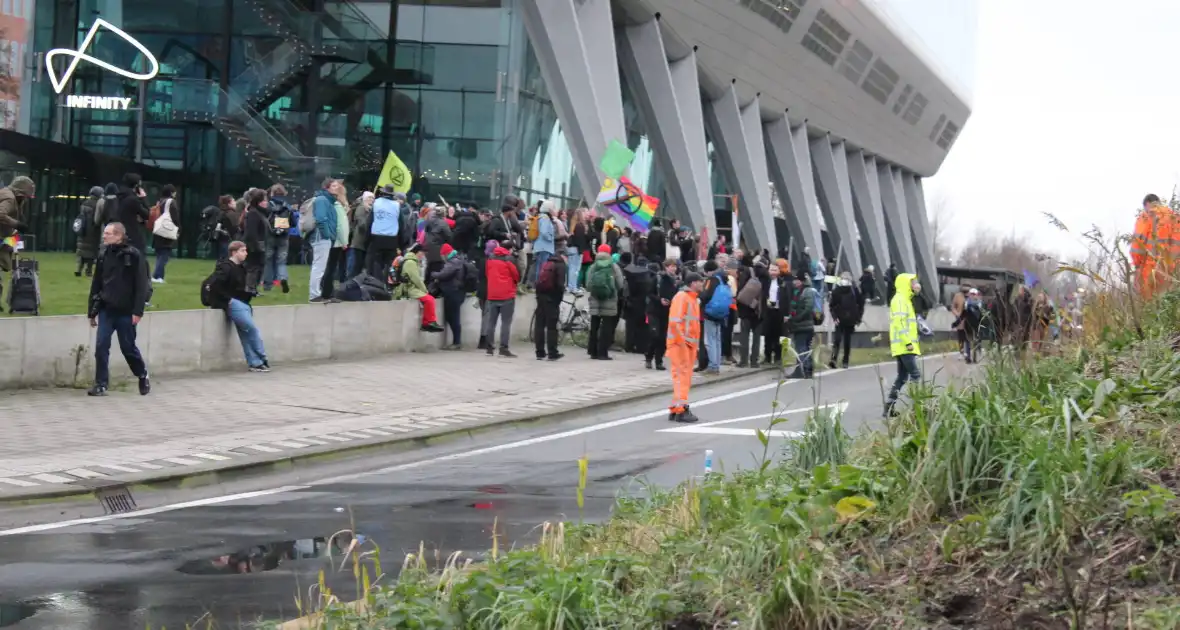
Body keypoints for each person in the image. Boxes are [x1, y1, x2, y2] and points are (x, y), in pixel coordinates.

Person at [86, 222, 150, 397]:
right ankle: (101, 384)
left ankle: (142, 374)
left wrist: (138, 311)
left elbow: (141, 285)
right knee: (101, 346)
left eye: (108, 233)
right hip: (107, 309)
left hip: (127, 311)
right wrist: (92, 311)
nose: (104, 236)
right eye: (104, 233)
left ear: (119, 235)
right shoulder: (103, 254)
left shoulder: (134, 256)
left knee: (127, 347)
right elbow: (96, 283)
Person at [204, 241, 269, 372]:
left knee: (245, 331)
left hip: (241, 303)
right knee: (250, 328)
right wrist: (227, 301)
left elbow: (237, 288)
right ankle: (262, 356)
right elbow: (216, 286)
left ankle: (255, 362)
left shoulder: (241, 268)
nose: (246, 253)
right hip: (232, 303)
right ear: (234, 252)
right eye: (243, 251)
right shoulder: (225, 267)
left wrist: (250, 293)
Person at [885, 273, 924, 417]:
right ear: (905, 284)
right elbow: (899, 323)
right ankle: (916, 408)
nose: (915, 285)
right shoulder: (900, 300)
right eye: (912, 282)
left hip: (903, 345)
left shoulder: (905, 299)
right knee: (915, 375)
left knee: (901, 377)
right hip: (904, 345)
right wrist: (908, 342)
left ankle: (888, 407)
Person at [667, 272, 704, 423]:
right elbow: (675, 323)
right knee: (682, 377)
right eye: (700, 282)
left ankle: (676, 408)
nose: (702, 284)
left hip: (686, 344)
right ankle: (681, 409)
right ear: (693, 283)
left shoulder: (691, 299)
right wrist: (683, 344)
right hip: (681, 344)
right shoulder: (683, 297)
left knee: (681, 377)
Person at [1131, 193, 1179, 299]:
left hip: (1151, 270)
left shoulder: (1146, 216)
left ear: (1147, 204)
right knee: (1169, 308)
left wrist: (1137, 267)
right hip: (1173, 272)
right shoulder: (1175, 217)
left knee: (1151, 308)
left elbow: (1137, 245)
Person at [392, 243, 444, 332]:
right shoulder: (410, 262)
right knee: (429, 299)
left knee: (429, 299)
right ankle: (429, 322)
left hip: (411, 287)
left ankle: (427, 323)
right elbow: (416, 279)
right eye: (422, 253)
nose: (423, 255)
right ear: (418, 252)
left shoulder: (411, 261)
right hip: (408, 289)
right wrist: (425, 290)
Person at [586, 244, 625, 360]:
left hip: (595, 300)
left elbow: (588, 285)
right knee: (607, 327)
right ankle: (603, 353)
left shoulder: (593, 266)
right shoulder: (614, 266)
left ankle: (592, 351)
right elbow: (620, 284)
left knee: (594, 326)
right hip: (610, 300)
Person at [484, 241, 521, 357]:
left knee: (491, 322)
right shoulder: (509, 259)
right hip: (507, 294)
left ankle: (489, 348)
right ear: (509, 249)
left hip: (492, 294)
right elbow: (516, 275)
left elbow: (487, 274)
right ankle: (503, 348)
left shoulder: (490, 259)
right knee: (505, 323)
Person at [308, 178, 342, 303]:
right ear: (326, 187)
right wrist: (327, 234)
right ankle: (314, 294)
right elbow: (321, 219)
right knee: (319, 266)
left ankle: (317, 293)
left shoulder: (329, 201)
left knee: (321, 266)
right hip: (321, 237)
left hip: (324, 237)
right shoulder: (322, 200)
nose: (337, 188)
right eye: (334, 186)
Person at [433, 243, 471, 350]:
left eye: (442, 255)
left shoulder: (453, 262)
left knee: (453, 318)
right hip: (456, 292)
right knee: (452, 317)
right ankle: (456, 342)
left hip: (454, 292)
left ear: (446, 254)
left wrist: (433, 274)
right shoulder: (458, 259)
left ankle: (457, 342)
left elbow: (444, 274)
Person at [532, 246, 567, 360]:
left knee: (539, 325)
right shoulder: (560, 265)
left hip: (541, 297)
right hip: (552, 299)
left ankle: (539, 352)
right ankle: (552, 353)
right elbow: (560, 285)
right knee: (552, 327)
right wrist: (558, 300)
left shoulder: (547, 263)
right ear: (562, 255)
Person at [646, 258, 679, 370]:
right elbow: (649, 293)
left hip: (667, 312)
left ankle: (659, 361)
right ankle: (649, 356)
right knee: (654, 335)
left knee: (663, 338)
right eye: (671, 266)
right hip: (655, 310)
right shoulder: (658, 278)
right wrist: (659, 300)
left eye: (675, 266)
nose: (673, 268)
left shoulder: (676, 281)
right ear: (666, 267)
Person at [696, 260, 728, 375]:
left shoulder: (712, 280)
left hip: (710, 312)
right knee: (718, 340)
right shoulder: (724, 279)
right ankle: (717, 364)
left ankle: (713, 366)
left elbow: (706, 295)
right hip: (721, 312)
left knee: (710, 340)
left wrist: (699, 294)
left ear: (709, 271)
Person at [785, 269, 817, 379]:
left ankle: (806, 369)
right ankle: (801, 370)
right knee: (803, 349)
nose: (794, 282)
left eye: (797, 280)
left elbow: (808, 308)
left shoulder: (807, 291)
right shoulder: (797, 291)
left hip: (804, 325)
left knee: (802, 349)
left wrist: (797, 318)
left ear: (801, 281)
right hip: (799, 324)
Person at [827, 271, 863, 370]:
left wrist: (858, 318)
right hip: (840, 319)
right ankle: (833, 360)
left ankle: (845, 360)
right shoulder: (837, 291)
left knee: (847, 341)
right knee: (837, 340)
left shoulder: (854, 291)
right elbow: (832, 306)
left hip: (850, 319)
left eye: (847, 279)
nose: (845, 281)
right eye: (843, 278)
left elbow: (861, 304)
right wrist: (835, 318)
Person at [366, 186, 402, 280]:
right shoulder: (397, 205)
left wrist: (367, 239)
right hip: (391, 239)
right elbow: (401, 225)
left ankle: (376, 282)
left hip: (376, 237)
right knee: (390, 264)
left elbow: (369, 222)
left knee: (376, 262)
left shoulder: (376, 203)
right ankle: (387, 284)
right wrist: (400, 243)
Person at [262, 184, 293, 294]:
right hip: (284, 237)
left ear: (272, 193)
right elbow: (293, 222)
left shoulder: (268, 206)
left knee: (268, 260)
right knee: (281, 261)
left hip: (270, 236)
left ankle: (267, 284)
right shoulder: (287, 206)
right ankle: (283, 278)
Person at [622, 253, 654, 353]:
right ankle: (641, 347)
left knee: (630, 326)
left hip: (631, 302)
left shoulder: (630, 273)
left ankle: (629, 346)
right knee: (642, 326)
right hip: (643, 303)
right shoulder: (648, 275)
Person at [241, 188, 270, 292]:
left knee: (259, 267)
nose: (267, 202)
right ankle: (250, 288)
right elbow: (251, 232)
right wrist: (255, 246)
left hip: (260, 244)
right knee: (253, 267)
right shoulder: (253, 213)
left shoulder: (261, 213)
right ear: (258, 201)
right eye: (264, 200)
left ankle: (253, 288)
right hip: (254, 246)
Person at [150, 184, 180, 284]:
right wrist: (178, 229)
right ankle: (156, 275)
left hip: (158, 230)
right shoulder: (171, 202)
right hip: (166, 231)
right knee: (164, 255)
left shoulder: (160, 201)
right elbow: (175, 217)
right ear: (171, 192)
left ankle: (160, 277)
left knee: (160, 254)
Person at [75, 186, 104, 277]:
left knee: (82, 251)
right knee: (91, 252)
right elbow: (97, 218)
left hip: (83, 230)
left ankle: (79, 269)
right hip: (93, 231)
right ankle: (89, 270)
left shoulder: (84, 203)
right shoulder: (97, 204)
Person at [762, 261, 786, 367]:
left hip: (778, 310)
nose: (773, 272)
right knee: (768, 334)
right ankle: (767, 357)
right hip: (767, 310)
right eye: (771, 270)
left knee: (778, 335)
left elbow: (786, 298)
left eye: (775, 270)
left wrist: (786, 313)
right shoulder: (765, 282)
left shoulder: (782, 282)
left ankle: (778, 357)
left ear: (779, 271)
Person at [348, 191, 374, 279]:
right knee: (355, 266)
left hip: (365, 242)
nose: (371, 199)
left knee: (359, 265)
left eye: (372, 198)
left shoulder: (370, 209)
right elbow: (362, 224)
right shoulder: (361, 208)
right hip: (358, 241)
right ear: (365, 198)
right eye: (369, 197)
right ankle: (350, 283)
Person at [531, 200, 558, 287]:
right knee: (542, 268)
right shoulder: (545, 218)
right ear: (549, 209)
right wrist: (551, 238)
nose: (555, 210)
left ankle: (538, 285)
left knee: (540, 267)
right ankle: (540, 285)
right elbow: (544, 232)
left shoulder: (541, 217)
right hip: (544, 247)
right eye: (554, 208)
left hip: (541, 246)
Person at [566, 209, 589, 294]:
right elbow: (580, 240)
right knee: (575, 269)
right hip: (577, 249)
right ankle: (574, 287)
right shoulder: (580, 226)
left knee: (571, 268)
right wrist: (581, 251)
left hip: (571, 248)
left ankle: (570, 286)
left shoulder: (573, 225)